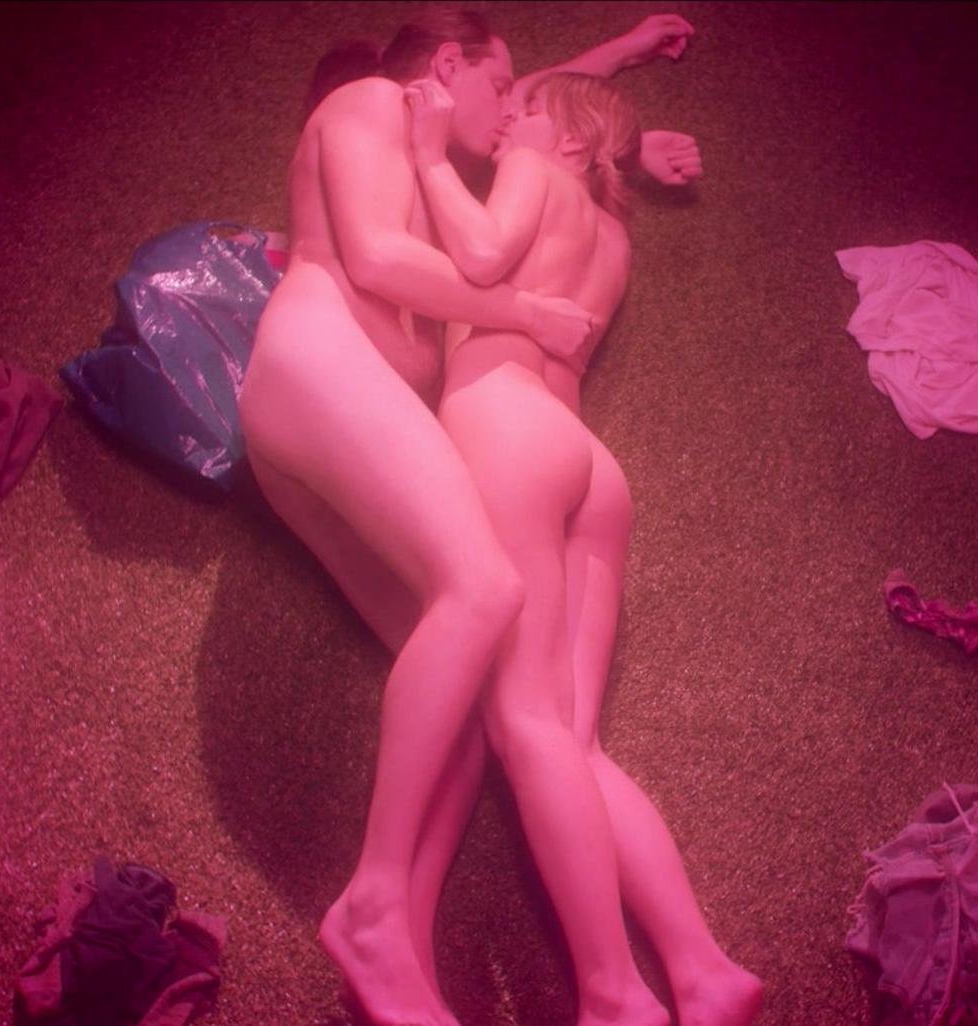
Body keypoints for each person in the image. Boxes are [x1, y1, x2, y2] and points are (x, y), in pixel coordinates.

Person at [236, 11, 702, 1026]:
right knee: (486, 588)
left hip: (333, 422)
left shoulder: (452, 140)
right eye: (495, 88)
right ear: (446, 67)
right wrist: (523, 314)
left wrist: (623, 76)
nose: (508, 117)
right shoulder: (370, 99)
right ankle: (372, 900)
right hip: (319, 354)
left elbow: (540, 103)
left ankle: (397, 947)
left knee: (478, 695)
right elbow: (373, 256)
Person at [401, 71, 763, 1026]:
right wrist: (627, 64)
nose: (506, 122)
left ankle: (612, 993)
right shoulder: (612, 232)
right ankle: (702, 969)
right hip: (587, 463)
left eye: (523, 112)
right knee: (573, 740)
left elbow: (482, 252)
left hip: (507, 426)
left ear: (563, 138)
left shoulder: (535, 170)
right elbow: (570, 120)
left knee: (525, 721)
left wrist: (432, 158)